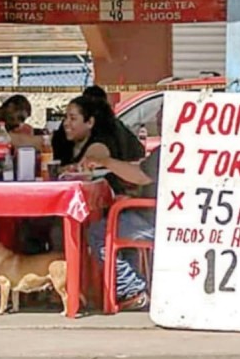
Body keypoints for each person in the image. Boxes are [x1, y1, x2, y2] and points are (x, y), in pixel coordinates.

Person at [80, 105, 163, 311]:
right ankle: (134, 286)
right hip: (159, 213)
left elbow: (140, 176)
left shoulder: (170, 151)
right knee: (122, 220)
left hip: (156, 219)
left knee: (99, 232)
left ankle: (132, 290)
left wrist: (105, 162)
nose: (157, 120)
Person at [51, 85, 145, 165]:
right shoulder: (117, 128)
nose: (66, 123)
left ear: (90, 121)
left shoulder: (101, 143)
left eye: (73, 118)